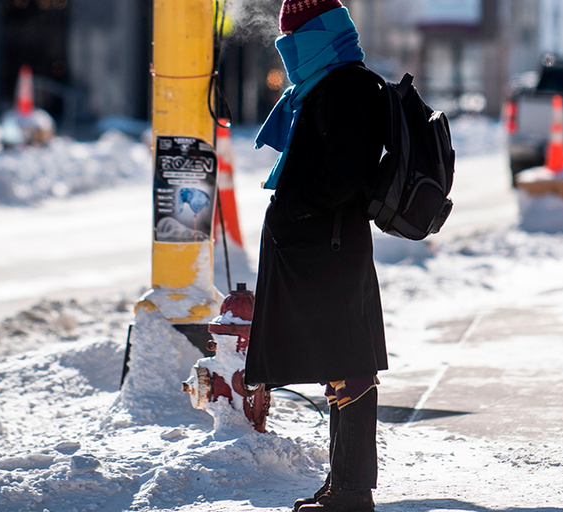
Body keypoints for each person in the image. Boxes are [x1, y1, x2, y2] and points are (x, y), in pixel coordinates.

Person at [244, 1, 386, 511]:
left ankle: (352, 490)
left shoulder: (347, 87)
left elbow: (344, 174)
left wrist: (292, 210)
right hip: (324, 247)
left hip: (331, 249)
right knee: (340, 366)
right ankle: (344, 483)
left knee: (349, 366)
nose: (288, 54)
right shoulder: (330, 84)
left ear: (314, 37)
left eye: (292, 41)